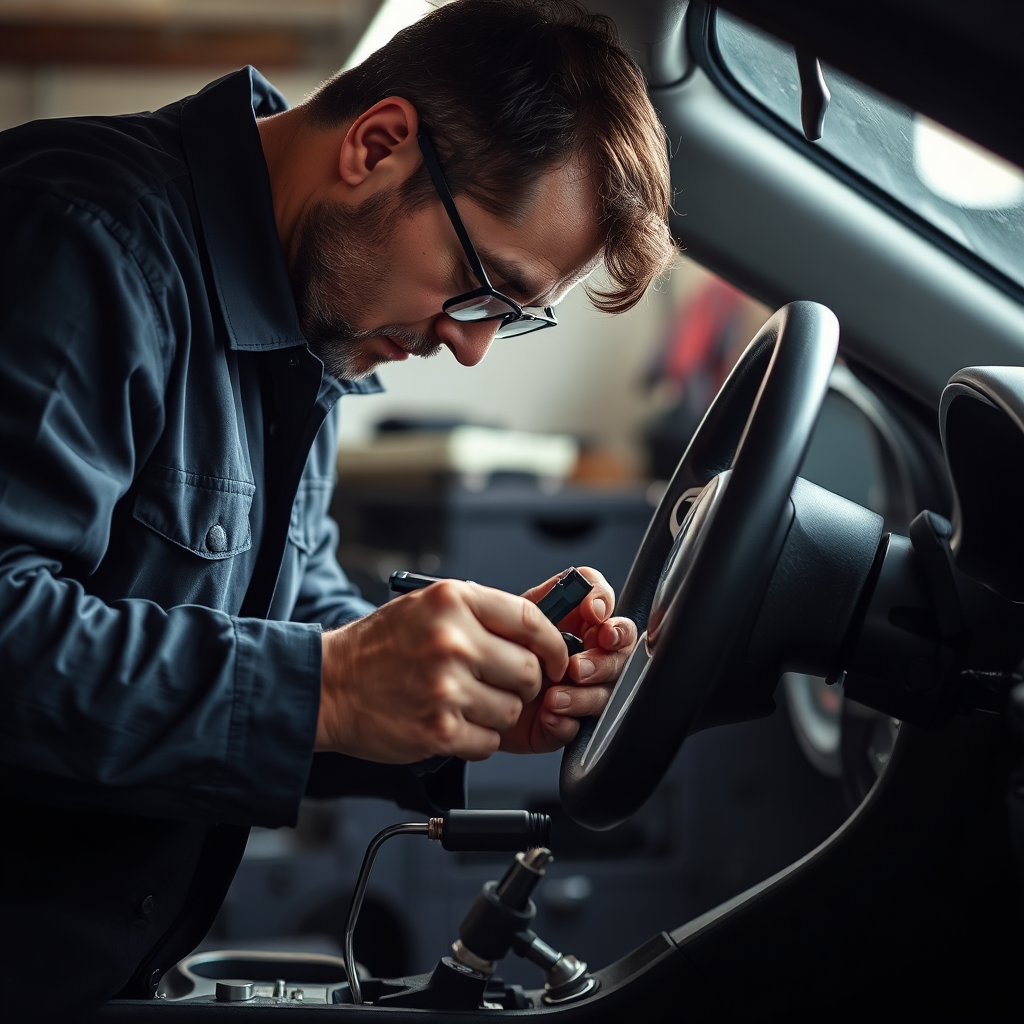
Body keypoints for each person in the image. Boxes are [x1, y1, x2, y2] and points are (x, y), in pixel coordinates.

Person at [0, 0, 675, 1016]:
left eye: (509, 318)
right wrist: (327, 688)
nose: (470, 345)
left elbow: (291, 616)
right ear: (377, 145)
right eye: (481, 288)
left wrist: (455, 698)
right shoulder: (80, 239)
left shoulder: (306, 314)